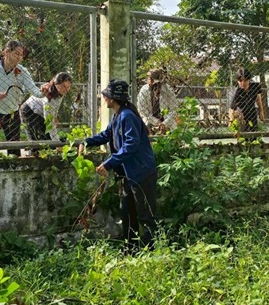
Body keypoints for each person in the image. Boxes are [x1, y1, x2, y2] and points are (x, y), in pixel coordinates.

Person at [78, 79, 157, 253]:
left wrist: (109, 163)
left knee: (145, 216)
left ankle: (153, 252)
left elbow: (131, 145)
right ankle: (130, 251)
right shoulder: (118, 115)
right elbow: (106, 135)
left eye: (105, 96)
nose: (104, 99)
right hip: (129, 175)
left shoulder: (127, 116)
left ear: (112, 99)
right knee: (128, 214)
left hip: (141, 173)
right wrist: (86, 142)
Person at [0, 40, 45, 159]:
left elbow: (34, 90)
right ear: (6, 52)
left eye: (21, 55)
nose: (19, 58)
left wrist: (44, 91)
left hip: (11, 112)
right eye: (16, 54)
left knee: (14, 147)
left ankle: (14, 167)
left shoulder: (22, 72)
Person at [20, 72, 73, 153]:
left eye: (68, 87)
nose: (66, 90)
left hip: (41, 113)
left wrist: (55, 116)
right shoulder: (48, 95)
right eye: (63, 86)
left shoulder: (60, 92)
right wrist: (57, 143)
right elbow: (49, 122)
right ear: (56, 84)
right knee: (36, 141)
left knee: (46, 139)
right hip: (29, 111)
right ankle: (33, 155)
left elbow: (56, 106)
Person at [137, 68, 178, 135]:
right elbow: (142, 110)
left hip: (168, 123)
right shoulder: (144, 90)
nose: (156, 87)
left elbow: (174, 109)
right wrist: (157, 122)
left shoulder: (168, 90)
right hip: (149, 122)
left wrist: (164, 123)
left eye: (158, 84)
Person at [229, 68, 266, 132]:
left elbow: (259, 99)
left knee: (254, 133)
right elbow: (232, 108)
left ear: (249, 79)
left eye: (245, 80)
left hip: (252, 111)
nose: (243, 83)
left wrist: (261, 112)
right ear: (237, 81)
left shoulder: (255, 86)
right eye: (240, 81)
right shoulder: (238, 92)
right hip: (241, 115)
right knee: (243, 134)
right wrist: (231, 121)